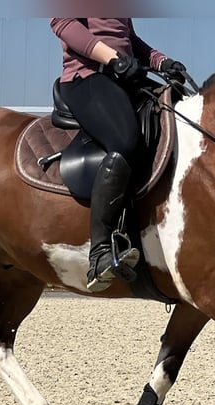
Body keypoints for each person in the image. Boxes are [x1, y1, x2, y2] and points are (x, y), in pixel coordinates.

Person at [49, 18, 187, 292]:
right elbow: (63, 24)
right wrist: (113, 59)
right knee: (125, 140)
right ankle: (99, 252)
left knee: (177, 113)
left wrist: (161, 62)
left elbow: (128, 39)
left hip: (122, 76)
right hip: (87, 78)